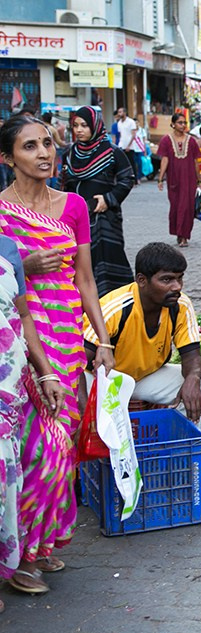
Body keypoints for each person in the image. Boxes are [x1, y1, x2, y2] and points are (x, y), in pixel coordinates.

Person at [0, 114, 114, 594]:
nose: (45, 153)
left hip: (65, 337)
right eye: (30, 146)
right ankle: (20, 555)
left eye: (48, 143)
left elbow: (86, 278)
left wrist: (103, 339)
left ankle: (42, 545)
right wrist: (22, 264)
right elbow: (4, 280)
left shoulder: (73, 207)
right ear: (7, 158)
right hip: (18, 341)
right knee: (34, 449)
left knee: (61, 447)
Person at [82, 242, 201, 436]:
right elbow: (78, 361)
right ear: (142, 280)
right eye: (167, 280)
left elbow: (192, 355)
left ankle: (192, 449)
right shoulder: (115, 308)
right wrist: (81, 405)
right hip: (103, 379)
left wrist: (193, 379)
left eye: (180, 279)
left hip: (144, 376)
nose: (176, 287)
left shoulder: (180, 305)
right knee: (121, 385)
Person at [0, 235, 67, 601]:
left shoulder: (6, 248)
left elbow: (22, 314)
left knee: (48, 454)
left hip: (11, 386)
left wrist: (45, 374)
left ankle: (26, 552)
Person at [62, 106, 134, 295]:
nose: (79, 130)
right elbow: (66, 185)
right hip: (77, 219)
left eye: (84, 125)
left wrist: (109, 199)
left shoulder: (111, 152)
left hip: (105, 217)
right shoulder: (70, 154)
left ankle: (116, 304)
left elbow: (127, 179)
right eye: (76, 125)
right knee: (81, 262)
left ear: (94, 126)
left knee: (108, 259)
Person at [156, 114, 201, 248]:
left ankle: (184, 236)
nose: (183, 125)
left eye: (184, 122)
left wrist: (199, 180)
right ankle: (178, 232)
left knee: (186, 207)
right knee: (175, 206)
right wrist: (160, 178)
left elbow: (195, 161)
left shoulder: (191, 141)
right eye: (180, 122)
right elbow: (165, 159)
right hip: (174, 179)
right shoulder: (166, 140)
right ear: (173, 124)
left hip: (189, 179)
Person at [39, 113, 68, 189]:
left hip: (39, 152)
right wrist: (68, 145)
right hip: (51, 153)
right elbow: (60, 142)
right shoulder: (52, 129)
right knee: (51, 171)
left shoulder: (39, 128)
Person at [114, 108, 140, 186]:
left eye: (121, 112)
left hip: (130, 146)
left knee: (131, 163)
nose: (119, 113)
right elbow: (121, 134)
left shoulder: (131, 122)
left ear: (125, 112)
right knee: (121, 163)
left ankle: (135, 180)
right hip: (122, 145)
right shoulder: (119, 123)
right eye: (118, 112)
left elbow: (133, 134)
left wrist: (129, 145)